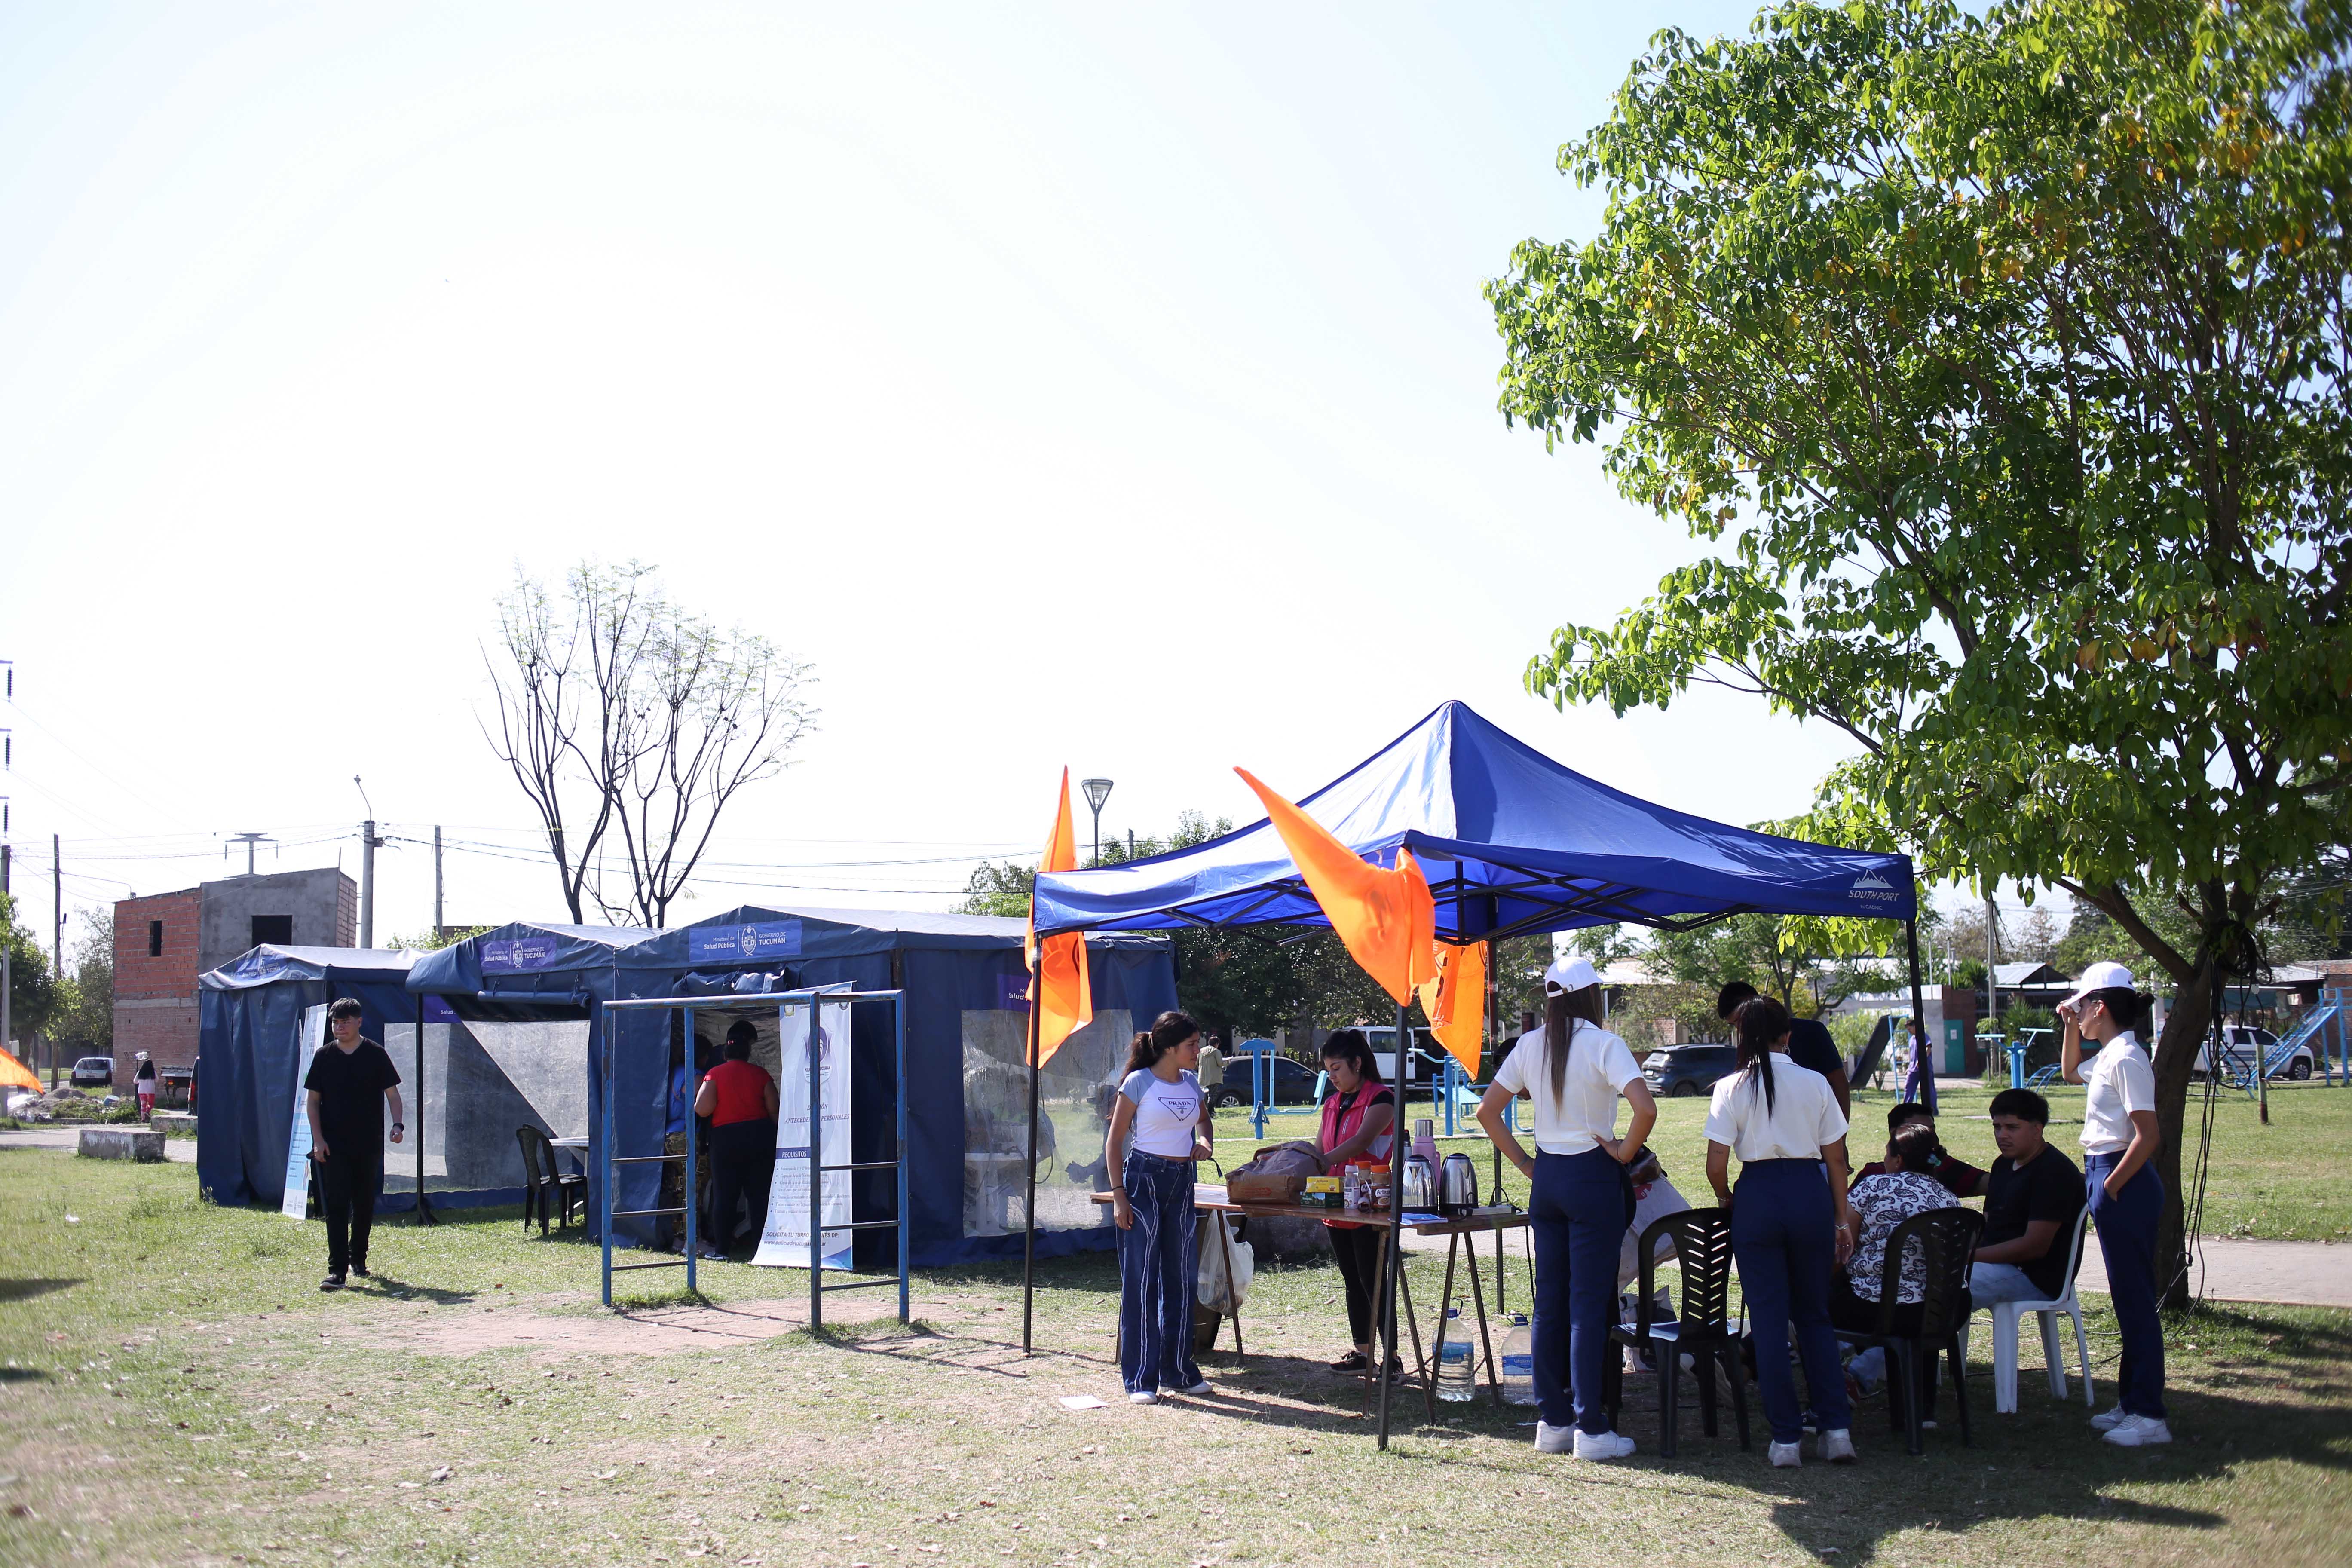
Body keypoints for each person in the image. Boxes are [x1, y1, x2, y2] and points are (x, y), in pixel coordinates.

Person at [1476, 956, 1657, 1461]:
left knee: (1549, 1303)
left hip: (1550, 1178)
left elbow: (1487, 1112)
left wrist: (1526, 1164)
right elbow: (1646, 1108)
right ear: (1592, 995)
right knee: (1588, 1305)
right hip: (1593, 1176)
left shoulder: (1530, 1044)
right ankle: (1592, 1428)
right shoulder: (1604, 1044)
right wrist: (1623, 1152)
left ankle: (1553, 1421)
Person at [1704, 995, 1859, 1467]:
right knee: (1814, 1316)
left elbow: (1716, 1164)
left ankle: (1786, 1439)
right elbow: (1837, 1158)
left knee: (1769, 1321)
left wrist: (1727, 1197)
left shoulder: (1730, 1087)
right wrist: (1841, 1217)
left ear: (1741, 1035)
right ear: (1787, 1035)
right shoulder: (1815, 1082)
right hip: (1809, 1193)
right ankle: (1837, 1431)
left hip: (1758, 1194)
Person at [2060, 961, 2170, 1446]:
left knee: (2135, 1301)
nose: (2079, 1012)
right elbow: (2070, 1072)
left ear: (2100, 1006)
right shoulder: (2110, 1054)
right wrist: (2070, 1025)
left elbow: (2148, 1136)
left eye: (2082, 1005)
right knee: (2127, 1300)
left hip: (2121, 1177)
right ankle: (2131, 1402)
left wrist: (2110, 1187)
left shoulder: (2126, 1057)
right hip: (2106, 1174)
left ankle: (2150, 1416)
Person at [1106, 1009, 1214, 1405]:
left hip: (1182, 1182)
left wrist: (1206, 1143)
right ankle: (1140, 1379)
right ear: (1169, 1048)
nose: (1198, 1051)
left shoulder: (1191, 1082)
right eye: (1192, 1045)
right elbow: (1114, 1143)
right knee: (1141, 1281)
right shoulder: (1139, 1082)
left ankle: (1179, 1372)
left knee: (1182, 1278)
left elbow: (1204, 1122)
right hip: (1143, 1182)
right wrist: (1120, 1196)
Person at [1835, 1124, 1959, 1412]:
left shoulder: (1873, 1187)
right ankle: (1923, 1413)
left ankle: (1832, 1389)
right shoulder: (1949, 1198)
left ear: (1898, 1159)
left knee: (1813, 1306)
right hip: (1943, 1312)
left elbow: (1842, 1247)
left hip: (1880, 1312)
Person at [303, 998, 404, 1292]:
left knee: (363, 1204)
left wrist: (398, 1125)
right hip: (333, 1145)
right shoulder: (324, 1056)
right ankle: (337, 1271)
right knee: (336, 1206)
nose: (339, 1027)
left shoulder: (375, 1054)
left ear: (359, 1022)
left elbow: (393, 1095)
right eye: (335, 1022)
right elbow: (313, 1102)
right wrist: (318, 1140)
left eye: (345, 1022)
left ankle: (358, 1257)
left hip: (367, 1142)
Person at [1314, 1028, 1396, 1374]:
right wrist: (1304, 1164)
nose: (1332, 1077)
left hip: (1371, 1204)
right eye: (1328, 1070)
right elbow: (1319, 1148)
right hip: (1336, 1203)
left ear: (1357, 1063)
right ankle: (1364, 1354)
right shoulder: (1332, 1104)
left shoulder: (1382, 1099)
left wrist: (1321, 1161)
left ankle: (1392, 1359)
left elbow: (1362, 1140)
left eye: (1337, 1069)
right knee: (1351, 1278)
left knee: (1373, 1281)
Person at [1967, 1087, 2085, 1309]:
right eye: (1997, 1127)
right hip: (1996, 1265)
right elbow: (1989, 1223)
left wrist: (1969, 1257)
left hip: (2035, 1276)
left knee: (1943, 1290)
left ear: (2037, 1129)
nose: (2002, 1135)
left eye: (2012, 1127)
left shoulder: (2054, 1171)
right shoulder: (2002, 1164)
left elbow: (2034, 1247)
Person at [694, 1020, 778, 1259]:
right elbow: (775, 1110)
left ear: (725, 1053)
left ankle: (722, 1250)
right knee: (760, 1196)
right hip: (759, 1138)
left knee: (725, 1196)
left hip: (725, 1140)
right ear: (748, 1053)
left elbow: (702, 1109)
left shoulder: (714, 1074)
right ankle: (762, 1249)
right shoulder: (761, 1075)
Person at [1718, 982, 1850, 1117]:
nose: (1740, 1029)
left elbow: (1840, 1083)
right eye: (1733, 1025)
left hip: (1811, 1122)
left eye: (1739, 1021)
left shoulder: (1812, 1032)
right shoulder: (1747, 1046)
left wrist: (1842, 1128)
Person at [1850, 1103, 1987, 1199]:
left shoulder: (1944, 1166)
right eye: (1917, 1131)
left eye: (1931, 1130)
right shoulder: (1872, 1175)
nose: (1929, 1137)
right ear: (1895, 1134)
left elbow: (1992, 1185)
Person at [1197, 1035, 1227, 1104]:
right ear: (1216, 1044)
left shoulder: (1201, 1051)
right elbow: (1220, 1063)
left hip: (1203, 1077)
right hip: (1214, 1077)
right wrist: (1228, 1062)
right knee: (1212, 1095)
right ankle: (1210, 1109)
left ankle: (1206, 1108)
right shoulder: (1216, 1051)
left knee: (1204, 1094)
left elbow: (1197, 1063)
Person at [133, 1053, 157, 1122]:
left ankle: (143, 1118)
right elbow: (157, 1080)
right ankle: (147, 1112)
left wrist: (141, 1082)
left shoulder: (140, 1072)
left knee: (143, 1104)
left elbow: (135, 1081)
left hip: (142, 1090)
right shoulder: (153, 1072)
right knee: (151, 1104)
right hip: (151, 1090)